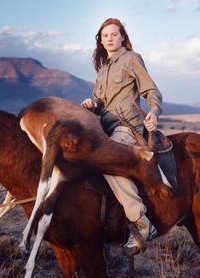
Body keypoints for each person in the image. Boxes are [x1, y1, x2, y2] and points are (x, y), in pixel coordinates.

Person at [81, 18, 163, 256]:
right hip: (105, 130)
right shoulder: (103, 69)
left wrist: (154, 113)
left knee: (107, 162)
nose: (109, 38)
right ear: (101, 40)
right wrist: (92, 103)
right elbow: (100, 103)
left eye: (114, 34)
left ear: (122, 37)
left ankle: (141, 222)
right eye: (105, 35)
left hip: (128, 128)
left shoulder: (131, 59)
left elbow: (151, 91)